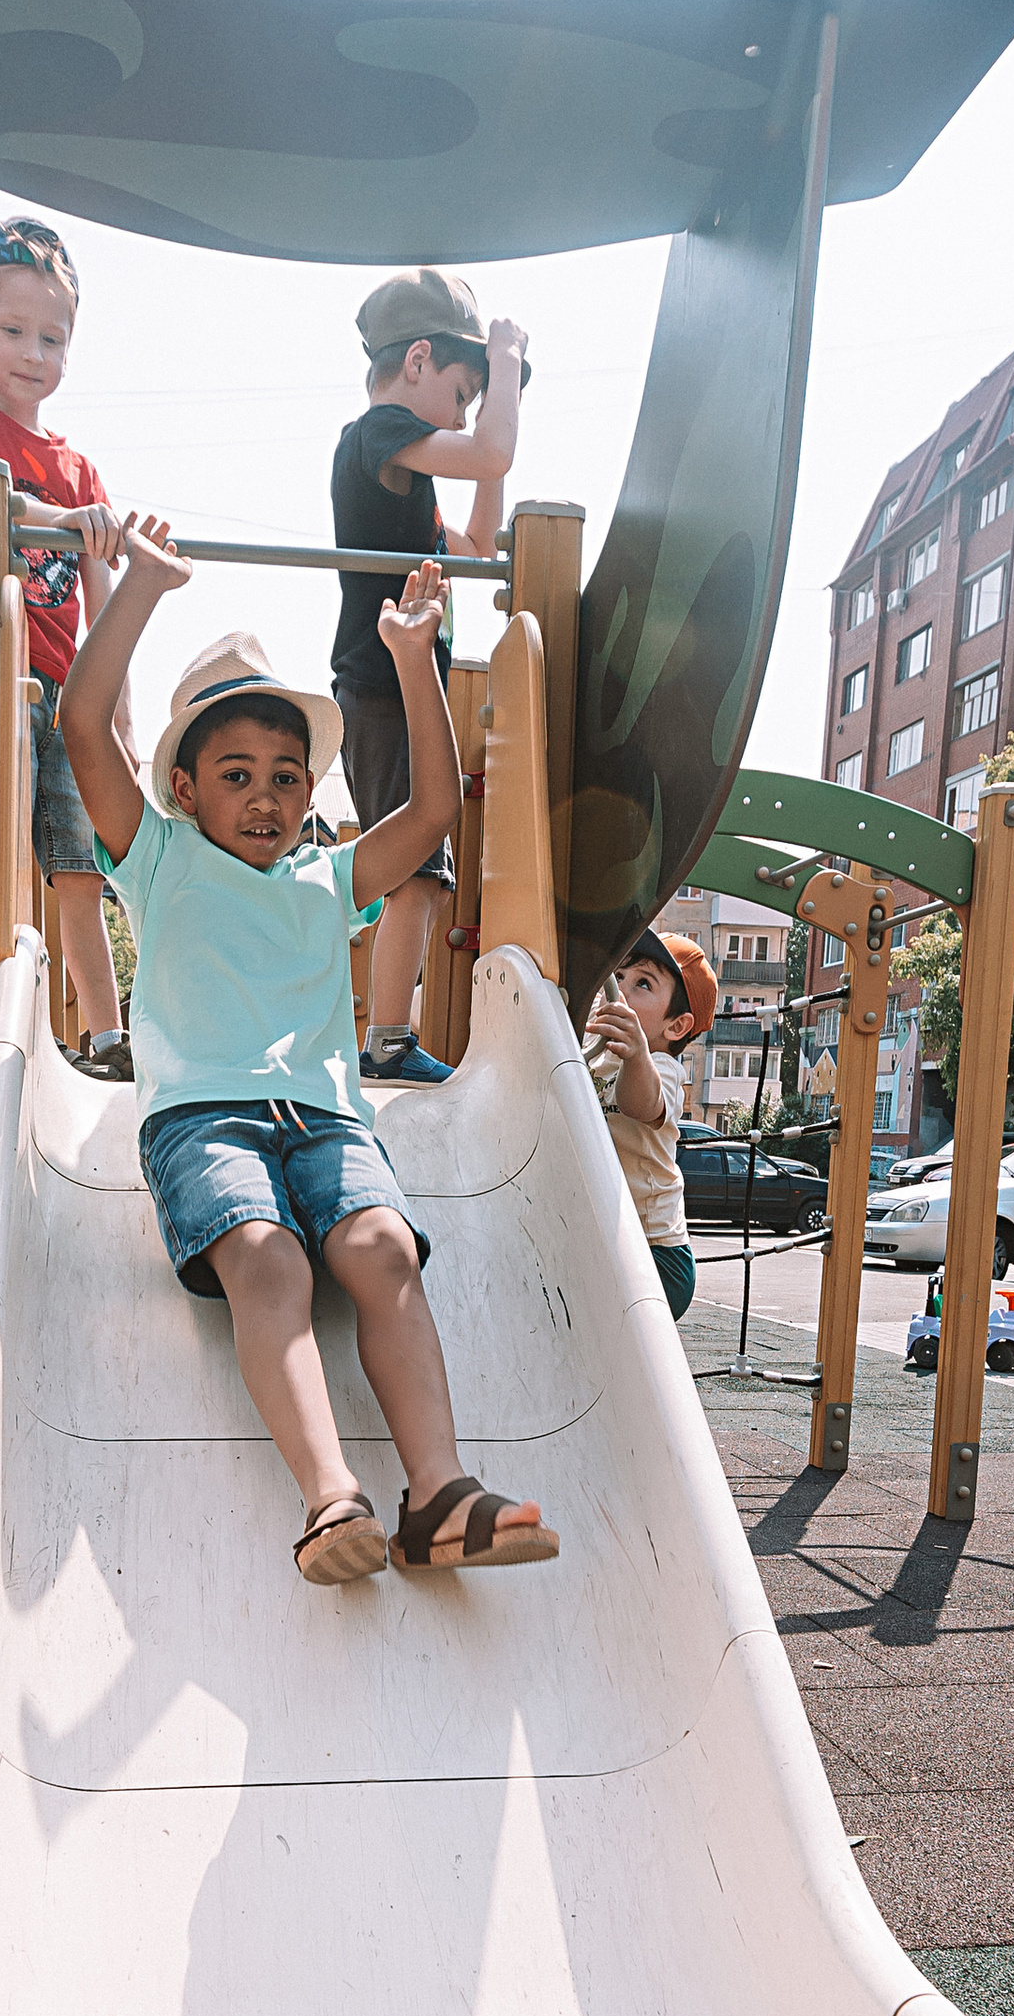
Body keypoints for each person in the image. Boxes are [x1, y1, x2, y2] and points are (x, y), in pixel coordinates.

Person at [58, 515, 558, 1585]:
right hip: (203, 1118)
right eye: (235, 774)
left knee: (381, 1250)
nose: (265, 796)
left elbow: (429, 813)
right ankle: (331, 1496)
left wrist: (415, 661)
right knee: (267, 1257)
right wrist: (139, 589)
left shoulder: (325, 880)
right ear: (184, 791)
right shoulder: (156, 859)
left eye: (287, 776)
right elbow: (83, 724)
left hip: (328, 1120)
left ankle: (440, 1496)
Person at [0, 216, 136, 1079]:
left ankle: (107, 1035)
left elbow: (102, 579)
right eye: (13, 331)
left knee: (79, 865)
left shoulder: (78, 469)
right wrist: (65, 523)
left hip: (63, 687)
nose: (33, 352)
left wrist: (117, 695)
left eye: (53, 337)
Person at [329, 269, 528, 1089]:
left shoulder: (409, 479)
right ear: (417, 360)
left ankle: (384, 1036)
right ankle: (386, 1041)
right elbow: (493, 448)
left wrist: (487, 426)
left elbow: (478, 544)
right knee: (418, 869)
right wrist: (508, 362)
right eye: (459, 390)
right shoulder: (376, 434)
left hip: (406, 689)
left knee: (421, 873)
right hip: (383, 684)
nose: (462, 413)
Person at [587, 930, 718, 1321]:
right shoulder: (590, 1056)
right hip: (612, 1240)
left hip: (657, 1254)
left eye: (642, 983)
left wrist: (636, 1055)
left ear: (676, 1027)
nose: (619, 991)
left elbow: (639, 1105)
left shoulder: (662, 1068)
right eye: (618, 976)